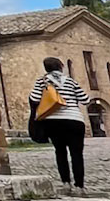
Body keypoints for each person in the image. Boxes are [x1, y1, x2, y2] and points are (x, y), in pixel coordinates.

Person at [29, 57, 89, 189]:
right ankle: (79, 185)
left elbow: (34, 98)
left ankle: (66, 182)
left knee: (60, 151)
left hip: (53, 121)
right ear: (61, 66)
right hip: (74, 120)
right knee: (77, 154)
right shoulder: (71, 81)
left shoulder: (42, 81)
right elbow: (85, 99)